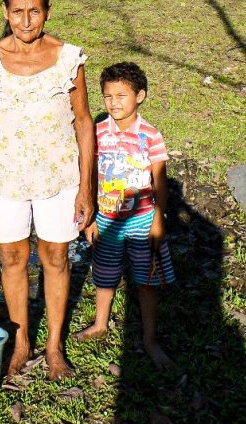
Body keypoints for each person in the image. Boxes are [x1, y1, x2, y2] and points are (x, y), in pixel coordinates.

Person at [0, 0, 95, 380]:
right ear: (5, 12)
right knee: (11, 257)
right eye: (18, 12)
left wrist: (86, 188)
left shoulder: (68, 59)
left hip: (59, 175)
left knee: (56, 257)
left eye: (34, 12)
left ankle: (54, 346)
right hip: (4, 176)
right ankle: (22, 341)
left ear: (47, 13)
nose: (26, 21)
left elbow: (84, 122)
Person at [75, 62, 175, 370]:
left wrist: (158, 220)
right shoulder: (96, 133)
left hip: (142, 221)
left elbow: (159, 182)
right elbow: (89, 176)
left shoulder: (150, 135)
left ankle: (149, 339)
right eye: (108, 96)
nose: (114, 102)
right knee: (104, 275)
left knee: (146, 281)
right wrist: (91, 217)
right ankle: (100, 323)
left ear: (140, 96)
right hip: (106, 220)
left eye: (121, 95)